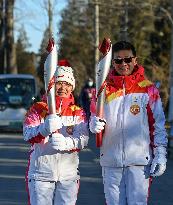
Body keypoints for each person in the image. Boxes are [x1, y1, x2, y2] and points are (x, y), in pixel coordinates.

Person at [89, 41, 167, 205]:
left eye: (127, 59)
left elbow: (157, 126)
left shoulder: (148, 89)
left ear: (135, 60)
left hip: (139, 163)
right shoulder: (102, 90)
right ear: (112, 62)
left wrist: (160, 154)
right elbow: (94, 118)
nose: (123, 64)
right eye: (118, 60)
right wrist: (93, 124)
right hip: (111, 162)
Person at [23, 59, 89, 205]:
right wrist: (44, 129)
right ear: (51, 85)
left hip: (68, 177)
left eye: (67, 84)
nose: (63, 87)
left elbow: (83, 139)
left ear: (72, 87)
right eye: (59, 83)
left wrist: (66, 143)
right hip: (41, 175)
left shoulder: (77, 112)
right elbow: (27, 134)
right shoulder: (38, 109)